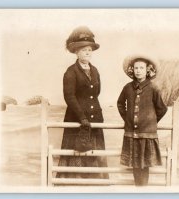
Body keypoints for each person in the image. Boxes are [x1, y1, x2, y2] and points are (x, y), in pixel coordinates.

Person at [56, 26, 108, 179]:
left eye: (90, 50)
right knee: (75, 154)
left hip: (95, 120)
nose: (87, 52)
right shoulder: (71, 72)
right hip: (77, 120)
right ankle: (73, 186)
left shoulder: (95, 70)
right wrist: (82, 117)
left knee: (96, 154)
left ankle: (96, 187)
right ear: (76, 52)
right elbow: (69, 97)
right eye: (84, 50)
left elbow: (96, 93)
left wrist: (92, 114)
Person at [117, 55, 167, 186]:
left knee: (144, 166)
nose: (138, 70)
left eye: (141, 68)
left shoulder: (153, 88)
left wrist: (151, 121)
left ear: (148, 70)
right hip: (131, 134)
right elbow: (120, 104)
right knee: (135, 164)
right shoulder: (127, 87)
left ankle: (143, 191)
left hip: (146, 134)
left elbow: (162, 108)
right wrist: (127, 118)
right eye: (136, 68)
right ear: (132, 70)